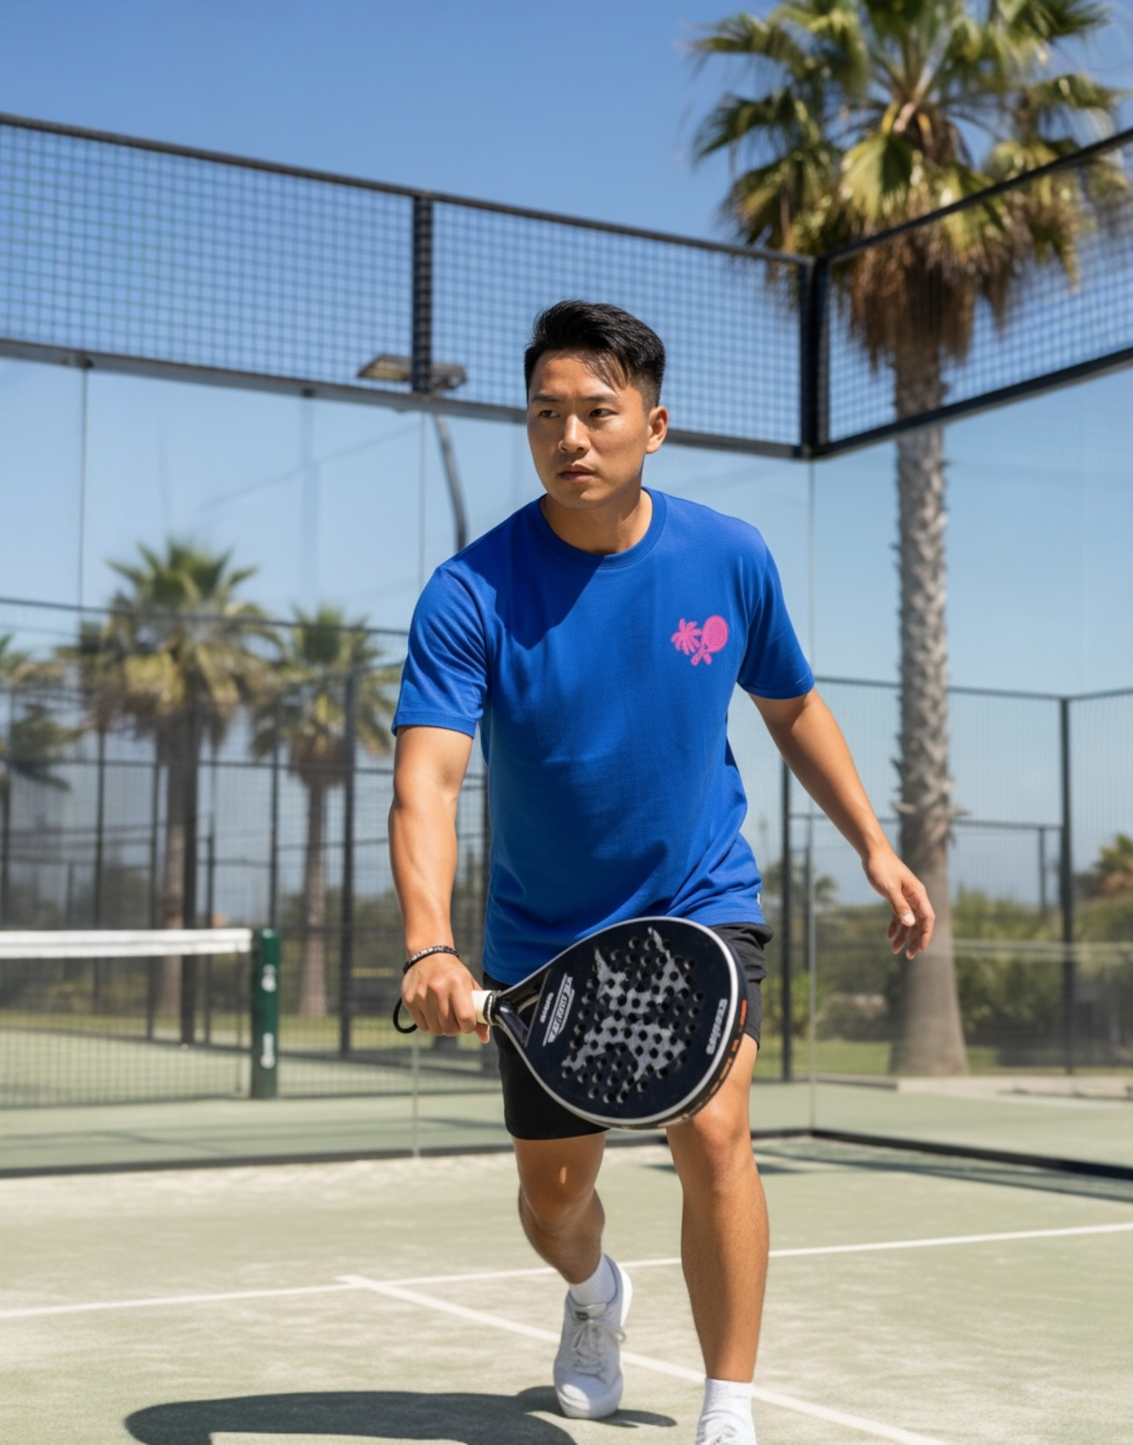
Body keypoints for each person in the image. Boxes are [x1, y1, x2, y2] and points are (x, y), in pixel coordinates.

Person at [390, 300, 933, 1445]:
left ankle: (725, 1403)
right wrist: (428, 942)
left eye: (596, 411)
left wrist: (875, 847)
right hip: (543, 939)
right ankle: (593, 1294)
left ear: (654, 423)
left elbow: (790, 707)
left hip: (699, 904)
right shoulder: (468, 592)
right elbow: (427, 782)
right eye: (546, 413)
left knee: (716, 1130)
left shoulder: (727, 555)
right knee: (552, 1200)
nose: (569, 436)